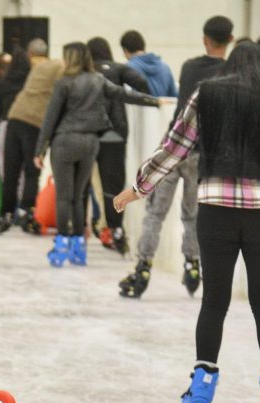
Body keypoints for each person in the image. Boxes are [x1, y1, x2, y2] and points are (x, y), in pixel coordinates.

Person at [114, 41, 260, 403]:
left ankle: (202, 380)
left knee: (214, 301)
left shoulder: (208, 93)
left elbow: (174, 147)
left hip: (216, 210)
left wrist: (138, 188)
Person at [119, 15, 233, 299]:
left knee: (155, 212)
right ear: (230, 40)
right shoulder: (231, 73)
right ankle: (193, 265)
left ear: (205, 39)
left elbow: (182, 108)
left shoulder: (190, 67)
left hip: (175, 147)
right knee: (192, 215)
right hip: (203, 154)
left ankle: (143, 267)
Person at [33, 42, 158, 267]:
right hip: (90, 142)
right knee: (79, 195)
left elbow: (50, 118)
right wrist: (153, 101)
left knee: (65, 196)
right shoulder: (98, 80)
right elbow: (123, 94)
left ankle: (62, 244)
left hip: (65, 141)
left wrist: (39, 149)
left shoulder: (63, 83)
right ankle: (79, 247)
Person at [87, 35, 151, 255]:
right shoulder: (118, 68)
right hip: (114, 133)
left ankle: (79, 231)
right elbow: (142, 84)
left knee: (82, 185)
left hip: (87, 134)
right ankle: (115, 231)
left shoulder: (84, 72)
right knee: (112, 185)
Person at [0, 55, 66, 234]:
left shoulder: (40, 67)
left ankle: (6, 214)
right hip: (35, 122)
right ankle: (26, 212)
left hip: (15, 116)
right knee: (32, 171)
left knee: (11, 172)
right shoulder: (63, 67)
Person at [120, 30, 177, 97]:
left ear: (125, 50)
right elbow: (174, 96)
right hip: (163, 107)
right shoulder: (165, 68)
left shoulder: (127, 68)